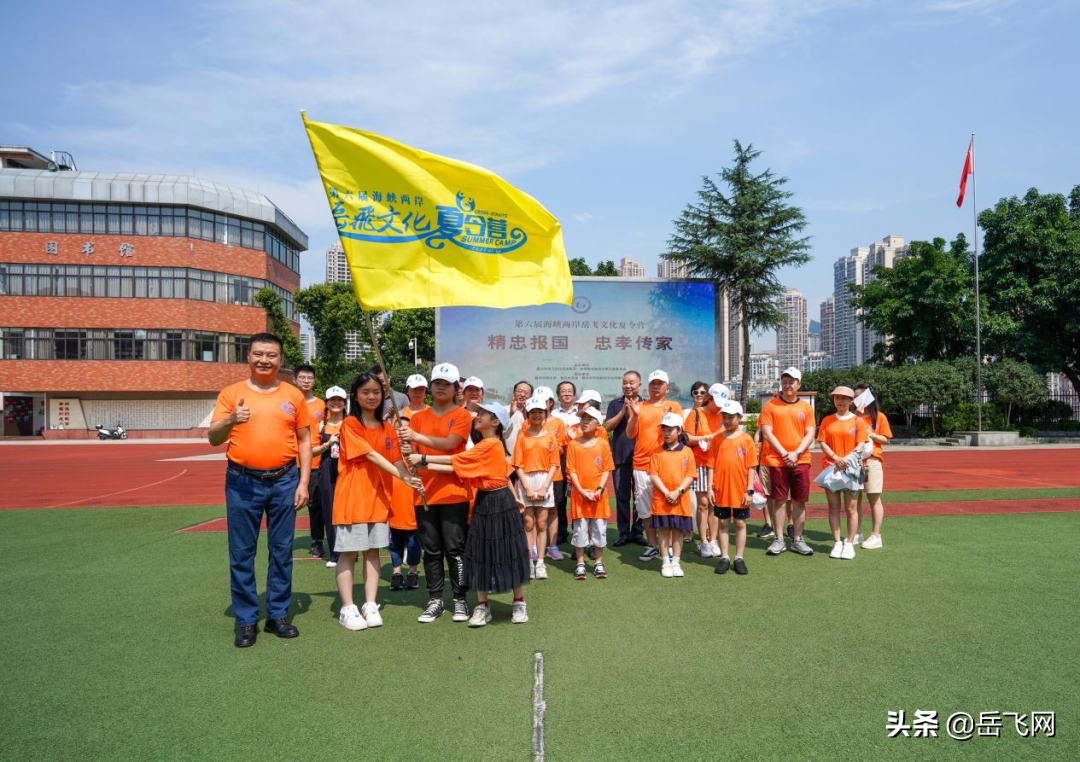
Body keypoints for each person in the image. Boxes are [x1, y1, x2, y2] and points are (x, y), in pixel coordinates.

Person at [209, 332, 312, 648]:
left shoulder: (293, 395)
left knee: (282, 551)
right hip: (242, 483)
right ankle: (245, 620)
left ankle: (278, 615)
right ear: (248, 357)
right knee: (242, 553)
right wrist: (231, 419)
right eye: (258, 354)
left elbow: (306, 439)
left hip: (284, 480)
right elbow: (213, 437)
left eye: (271, 355)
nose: (264, 360)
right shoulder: (231, 393)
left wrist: (303, 482)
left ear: (280, 360)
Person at [409, 402, 531, 626]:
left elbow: (454, 460)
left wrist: (424, 459)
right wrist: (424, 466)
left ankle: (519, 602)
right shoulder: (485, 445)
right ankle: (482, 605)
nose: (478, 415)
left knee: (508, 550)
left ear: (496, 422)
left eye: (483, 413)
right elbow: (459, 467)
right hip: (485, 500)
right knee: (480, 551)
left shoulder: (491, 445)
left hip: (499, 502)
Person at [333, 373, 422, 631]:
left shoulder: (387, 428)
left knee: (373, 552)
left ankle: (370, 603)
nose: (372, 396)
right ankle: (347, 607)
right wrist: (401, 476)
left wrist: (408, 476)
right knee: (349, 553)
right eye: (365, 392)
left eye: (376, 391)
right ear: (355, 396)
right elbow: (371, 455)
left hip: (379, 497)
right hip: (353, 497)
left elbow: (395, 459)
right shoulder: (350, 424)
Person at [397, 363, 474, 624]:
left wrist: (419, 446)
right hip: (424, 493)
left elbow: (452, 444)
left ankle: (460, 599)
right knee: (431, 550)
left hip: (454, 492)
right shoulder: (418, 418)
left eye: (446, 383)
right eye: (437, 382)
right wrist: (406, 447)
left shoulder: (462, 416)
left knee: (455, 549)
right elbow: (411, 456)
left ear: (455, 389)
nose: (440, 386)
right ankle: (435, 599)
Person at [625, 369, 683, 562]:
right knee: (645, 509)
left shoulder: (674, 406)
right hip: (642, 464)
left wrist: (667, 416)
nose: (656, 386)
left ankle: (668, 546)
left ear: (667, 386)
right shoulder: (639, 406)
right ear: (648, 386)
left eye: (660, 383)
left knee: (668, 506)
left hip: (668, 464)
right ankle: (652, 545)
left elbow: (680, 434)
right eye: (653, 383)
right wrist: (634, 415)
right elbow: (630, 434)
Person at [758, 367, 816, 557]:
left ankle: (798, 539)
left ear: (799, 384)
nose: (787, 385)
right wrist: (785, 453)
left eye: (792, 382)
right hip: (777, 460)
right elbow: (767, 432)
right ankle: (779, 539)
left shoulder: (806, 408)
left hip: (801, 460)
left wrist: (796, 453)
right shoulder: (771, 406)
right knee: (779, 500)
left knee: (799, 501)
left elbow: (810, 433)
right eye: (784, 381)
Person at [817, 386, 871, 560]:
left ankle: (849, 543)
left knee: (851, 508)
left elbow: (861, 444)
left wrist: (845, 459)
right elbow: (822, 442)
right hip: (832, 468)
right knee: (833, 508)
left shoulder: (858, 421)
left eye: (844, 398)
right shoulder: (827, 420)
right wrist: (835, 457)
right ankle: (837, 542)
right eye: (837, 398)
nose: (840, 401)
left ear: (850, 401)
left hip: (852, 470)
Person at [512, 396, 559, 580]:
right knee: (528, 523)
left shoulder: (550, 437)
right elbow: (517, 464)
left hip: (545, 480)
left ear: (545, 414)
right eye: (533, 412)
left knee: (541, 523)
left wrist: (544, 486)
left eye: (540, 412)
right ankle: (528, 563)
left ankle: (540, 563)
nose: (537, 415)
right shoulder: (522, 437)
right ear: (527, 414)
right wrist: (527, 488)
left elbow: (554, 464)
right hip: (527, 481)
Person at [708, 400, 757, 575]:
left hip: (740, 490)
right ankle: (724, 557)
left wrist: (749, 490)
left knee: (740, 523)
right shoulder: (717, 439)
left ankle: (739, 557)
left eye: (731, 417)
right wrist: (710, 488)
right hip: (720, 488)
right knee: (722, 522)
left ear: (739, 417)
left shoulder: (746, 439)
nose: (727, 421)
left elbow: (751, 466)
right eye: (725, 417)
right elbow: (711, 465)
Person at [565, 407, 614, 580]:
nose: (584, 422)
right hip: (580, 497)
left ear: (598, 425)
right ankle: (580, 563)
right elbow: (571, 471)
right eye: (582, 419)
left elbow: (607, 469)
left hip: (598, 497)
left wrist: (599, 489)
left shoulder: (603, 444)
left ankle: (599, 563)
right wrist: (581, 490)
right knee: (579, 530)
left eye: (589, 419)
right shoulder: (573, 444)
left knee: (599, 530)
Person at [648, 412, 696, 577]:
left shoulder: (688, 452)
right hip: (661, 499)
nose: (666, 433)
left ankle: (676, 562)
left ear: (679, 430)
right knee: (663, 529)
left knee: (678, 530)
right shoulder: (656, 452)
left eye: (670, 430)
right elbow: (653, 475)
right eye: (664, 429)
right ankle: (665, 562)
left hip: (680, 499)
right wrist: (667, 492)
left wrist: (678, 491)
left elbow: (690, 475)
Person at [605, 371, 645, 546]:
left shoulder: (646, 404)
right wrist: (623, 411)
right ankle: (623, 533)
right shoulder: (615, 404)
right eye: (625, 382)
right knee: (622, 497)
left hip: (641, 458)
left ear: (639, 385)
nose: (628, 386)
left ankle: (637, 532)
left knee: (640, 497)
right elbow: (608, 426)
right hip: (620, 457)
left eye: (632, 383)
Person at [312, 386, 348, 568]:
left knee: (348, 510)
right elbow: (312, 451)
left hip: (348, 469)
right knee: (329, 510)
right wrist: (328, 444)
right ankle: (335, 552)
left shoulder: (352, 423)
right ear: (326, 403)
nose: (336, 403)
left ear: (344, 403)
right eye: (332, 400)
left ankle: (350, 551)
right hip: (326, 470)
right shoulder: (321, 426)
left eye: (339, 400)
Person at [684, 381, 720, 557]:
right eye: (696, 392)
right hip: (700, 462)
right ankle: (703, 541)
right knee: (703, 504)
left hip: (719, 464)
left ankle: (713, 540)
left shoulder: (723, 414)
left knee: (715, 503)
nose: (718, 407)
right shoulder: (695, 414)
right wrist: (706, 437)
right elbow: (687, 438)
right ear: (710, 398)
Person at [854, 383, 892, 549]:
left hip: (872, 461)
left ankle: (876, 536)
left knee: (873, 497)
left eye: (859, 396)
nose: (856, 399)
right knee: (854, 499)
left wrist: (871, 434)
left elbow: (886, 439)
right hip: (855, 461)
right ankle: (857, 533)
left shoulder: (879, 417)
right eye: (854, 396)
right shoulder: (852, 416)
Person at [295, 364, 327, 558]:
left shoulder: (322, 405)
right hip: (290, 463)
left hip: (315, 462)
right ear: (295, 380)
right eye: (302, 378)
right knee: (285, 505)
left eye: (310, 378)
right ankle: (282, 541)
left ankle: (317, 541)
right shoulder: (289, 401)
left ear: (314, 381)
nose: (306, 381)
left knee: (315, 505)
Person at [548, 380, 579, 553]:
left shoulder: (580, 414)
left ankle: (578, 531)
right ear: (558, 395)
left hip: (577, 459)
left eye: (569, 391)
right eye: (563, 391)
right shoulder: (552, 415)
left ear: (574, 395)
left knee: (576, 495)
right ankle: (561, 531)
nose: (567, 394)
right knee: (559, 498)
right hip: (559, 459)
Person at [503, 380, 534, 457]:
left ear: (531, 396)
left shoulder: (534, 413)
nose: (522, 395)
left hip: (527, 456)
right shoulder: (503, 410)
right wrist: (510, 414)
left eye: (526, 393)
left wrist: (526, 415)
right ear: (514, 393)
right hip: (508, 455)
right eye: (519, 391)